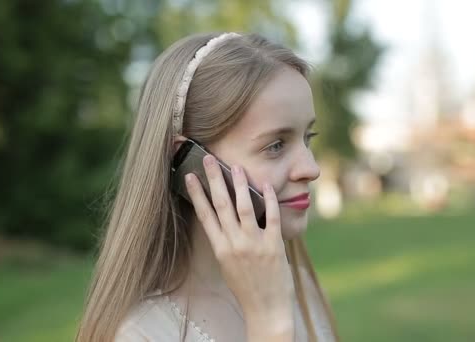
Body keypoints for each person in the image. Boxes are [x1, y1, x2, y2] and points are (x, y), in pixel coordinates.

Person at [76, 32, 340, 342]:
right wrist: (270, 325)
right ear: (188, 161)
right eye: (276, 145)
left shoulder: (298, 287)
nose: (311, 169)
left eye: (307, 138)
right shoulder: (140, 334)